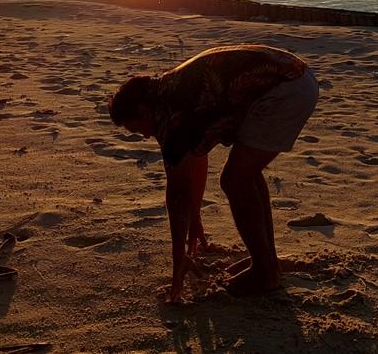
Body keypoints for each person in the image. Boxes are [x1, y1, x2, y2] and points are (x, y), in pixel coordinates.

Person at [109, 44, 318, 302]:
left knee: (235, 179)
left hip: (285, 89)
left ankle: (266, 272)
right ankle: (267, 262)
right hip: (295, 76)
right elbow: (196, 159)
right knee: (246, 175)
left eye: (136, 128)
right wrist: (195, 219)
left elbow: (177, 193)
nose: (145, 135)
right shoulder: (169, 89)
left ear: (142, 110)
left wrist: (178, 260)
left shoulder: (172, 113)